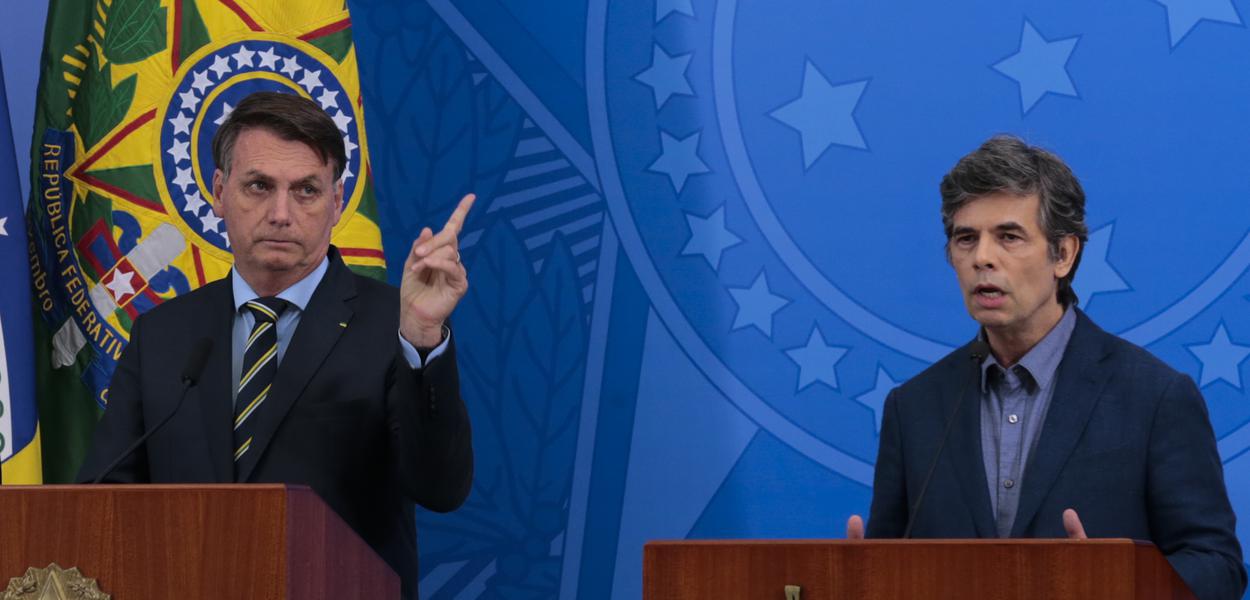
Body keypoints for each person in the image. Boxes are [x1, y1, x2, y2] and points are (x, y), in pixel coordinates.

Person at [77, 91, 474, 599]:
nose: (281, 213)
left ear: (336, 202)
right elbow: (101, 504)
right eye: (259, 186)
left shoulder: (391, 325)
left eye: (306, 190)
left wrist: (421, 338)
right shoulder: (163, 334)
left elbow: (441, 489)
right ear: (219, 192)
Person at [845, 135, 1245, 600]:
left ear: (1064, 254)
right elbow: (889, 562)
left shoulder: (1154, 397)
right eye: (965, 238)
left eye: (1009, 237)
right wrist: (862, 577)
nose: (982, 258)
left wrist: (1115, 584)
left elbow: (1217, 568)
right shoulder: (914, 407)